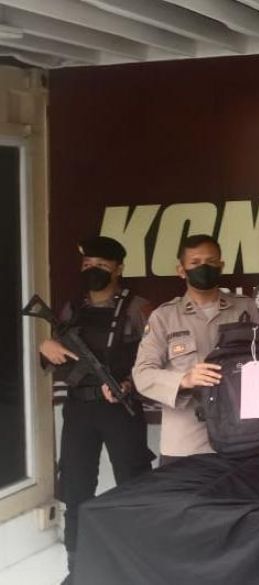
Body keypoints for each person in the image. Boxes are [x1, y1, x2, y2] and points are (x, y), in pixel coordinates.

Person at [38, 236, 155, 582]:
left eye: (102, 265)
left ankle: (137, 568)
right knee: (76, 490)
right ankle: (77, 568)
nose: (93, 271)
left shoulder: (138, 308)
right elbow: (56, 356)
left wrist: (128, 384)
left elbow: (153, 360)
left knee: (134, 490)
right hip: (79, 409)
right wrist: (46, 347)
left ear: (119, 269)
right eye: (88, 265)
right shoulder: (71, 308)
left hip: (121, 408)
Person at [133, 234, 259, 464]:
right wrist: (185, 379)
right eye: (195, 262)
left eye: (211, 261)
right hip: (186, 442)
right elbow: (142, 374)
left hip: (243, 437)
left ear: (221, 265)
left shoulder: (245, 308)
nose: (204, 267)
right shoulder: (164, 317)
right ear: (181, 270)